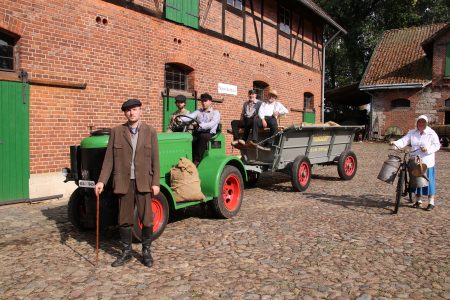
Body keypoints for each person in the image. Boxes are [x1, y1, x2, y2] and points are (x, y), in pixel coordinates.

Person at [95, 98, 160, 267]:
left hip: (144, 182)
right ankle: (126, 252)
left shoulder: (150, 131)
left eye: (135, 109)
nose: (132, 113)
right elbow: (109, 159)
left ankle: (146, 252)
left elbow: (155, 160)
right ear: (125, 113)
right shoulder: (117, 131)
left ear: (140, 111)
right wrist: (101, 181)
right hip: (123, 182)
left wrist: (156, 182)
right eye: (128, 110)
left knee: (146, 219)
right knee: (124, 219)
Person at [391, 115, 441, 211]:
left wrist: (428, 149)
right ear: (417, 123)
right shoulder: (412, 133)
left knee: (428, 181)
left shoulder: (431, 133)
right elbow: (404, 140)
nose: (421, 124)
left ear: (426, 123)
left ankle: (431, 202)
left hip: (427, 161)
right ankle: (418, 200)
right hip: (415, 160)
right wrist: (395, 143)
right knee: (415, 181)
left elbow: (437, 145)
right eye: (419, 122)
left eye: (423, 122)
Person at [180, 93, 220, 164]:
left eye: (205, 101)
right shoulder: (199, 111)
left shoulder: (215, 113)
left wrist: (200, 126)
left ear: (210, 102)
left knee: (202, 136)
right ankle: (188, 158)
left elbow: (212, 124)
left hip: (210, 133)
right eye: (202, 101)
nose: (203, 103)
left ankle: (197, 160)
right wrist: (180, 119)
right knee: (189, 137)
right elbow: (190, 117)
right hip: (199, 132)